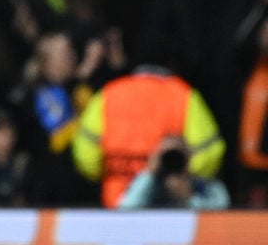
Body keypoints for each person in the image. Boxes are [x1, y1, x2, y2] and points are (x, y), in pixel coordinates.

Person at [72, 65, 225, 208]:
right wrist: (184, 175)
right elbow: (209, 154)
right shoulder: (183, 94)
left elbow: (86, 155)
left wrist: (109, 172)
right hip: (170, 205)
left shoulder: (108, 93)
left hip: (116, 203)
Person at [118, 136, 230, 210]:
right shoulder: (149, 185)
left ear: (188, 157)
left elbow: (222, 212)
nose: (172, 161)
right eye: (166, 156)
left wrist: (188, 198)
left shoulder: (208, 187)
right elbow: (125, 209)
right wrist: (149, 174)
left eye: (177, 155)